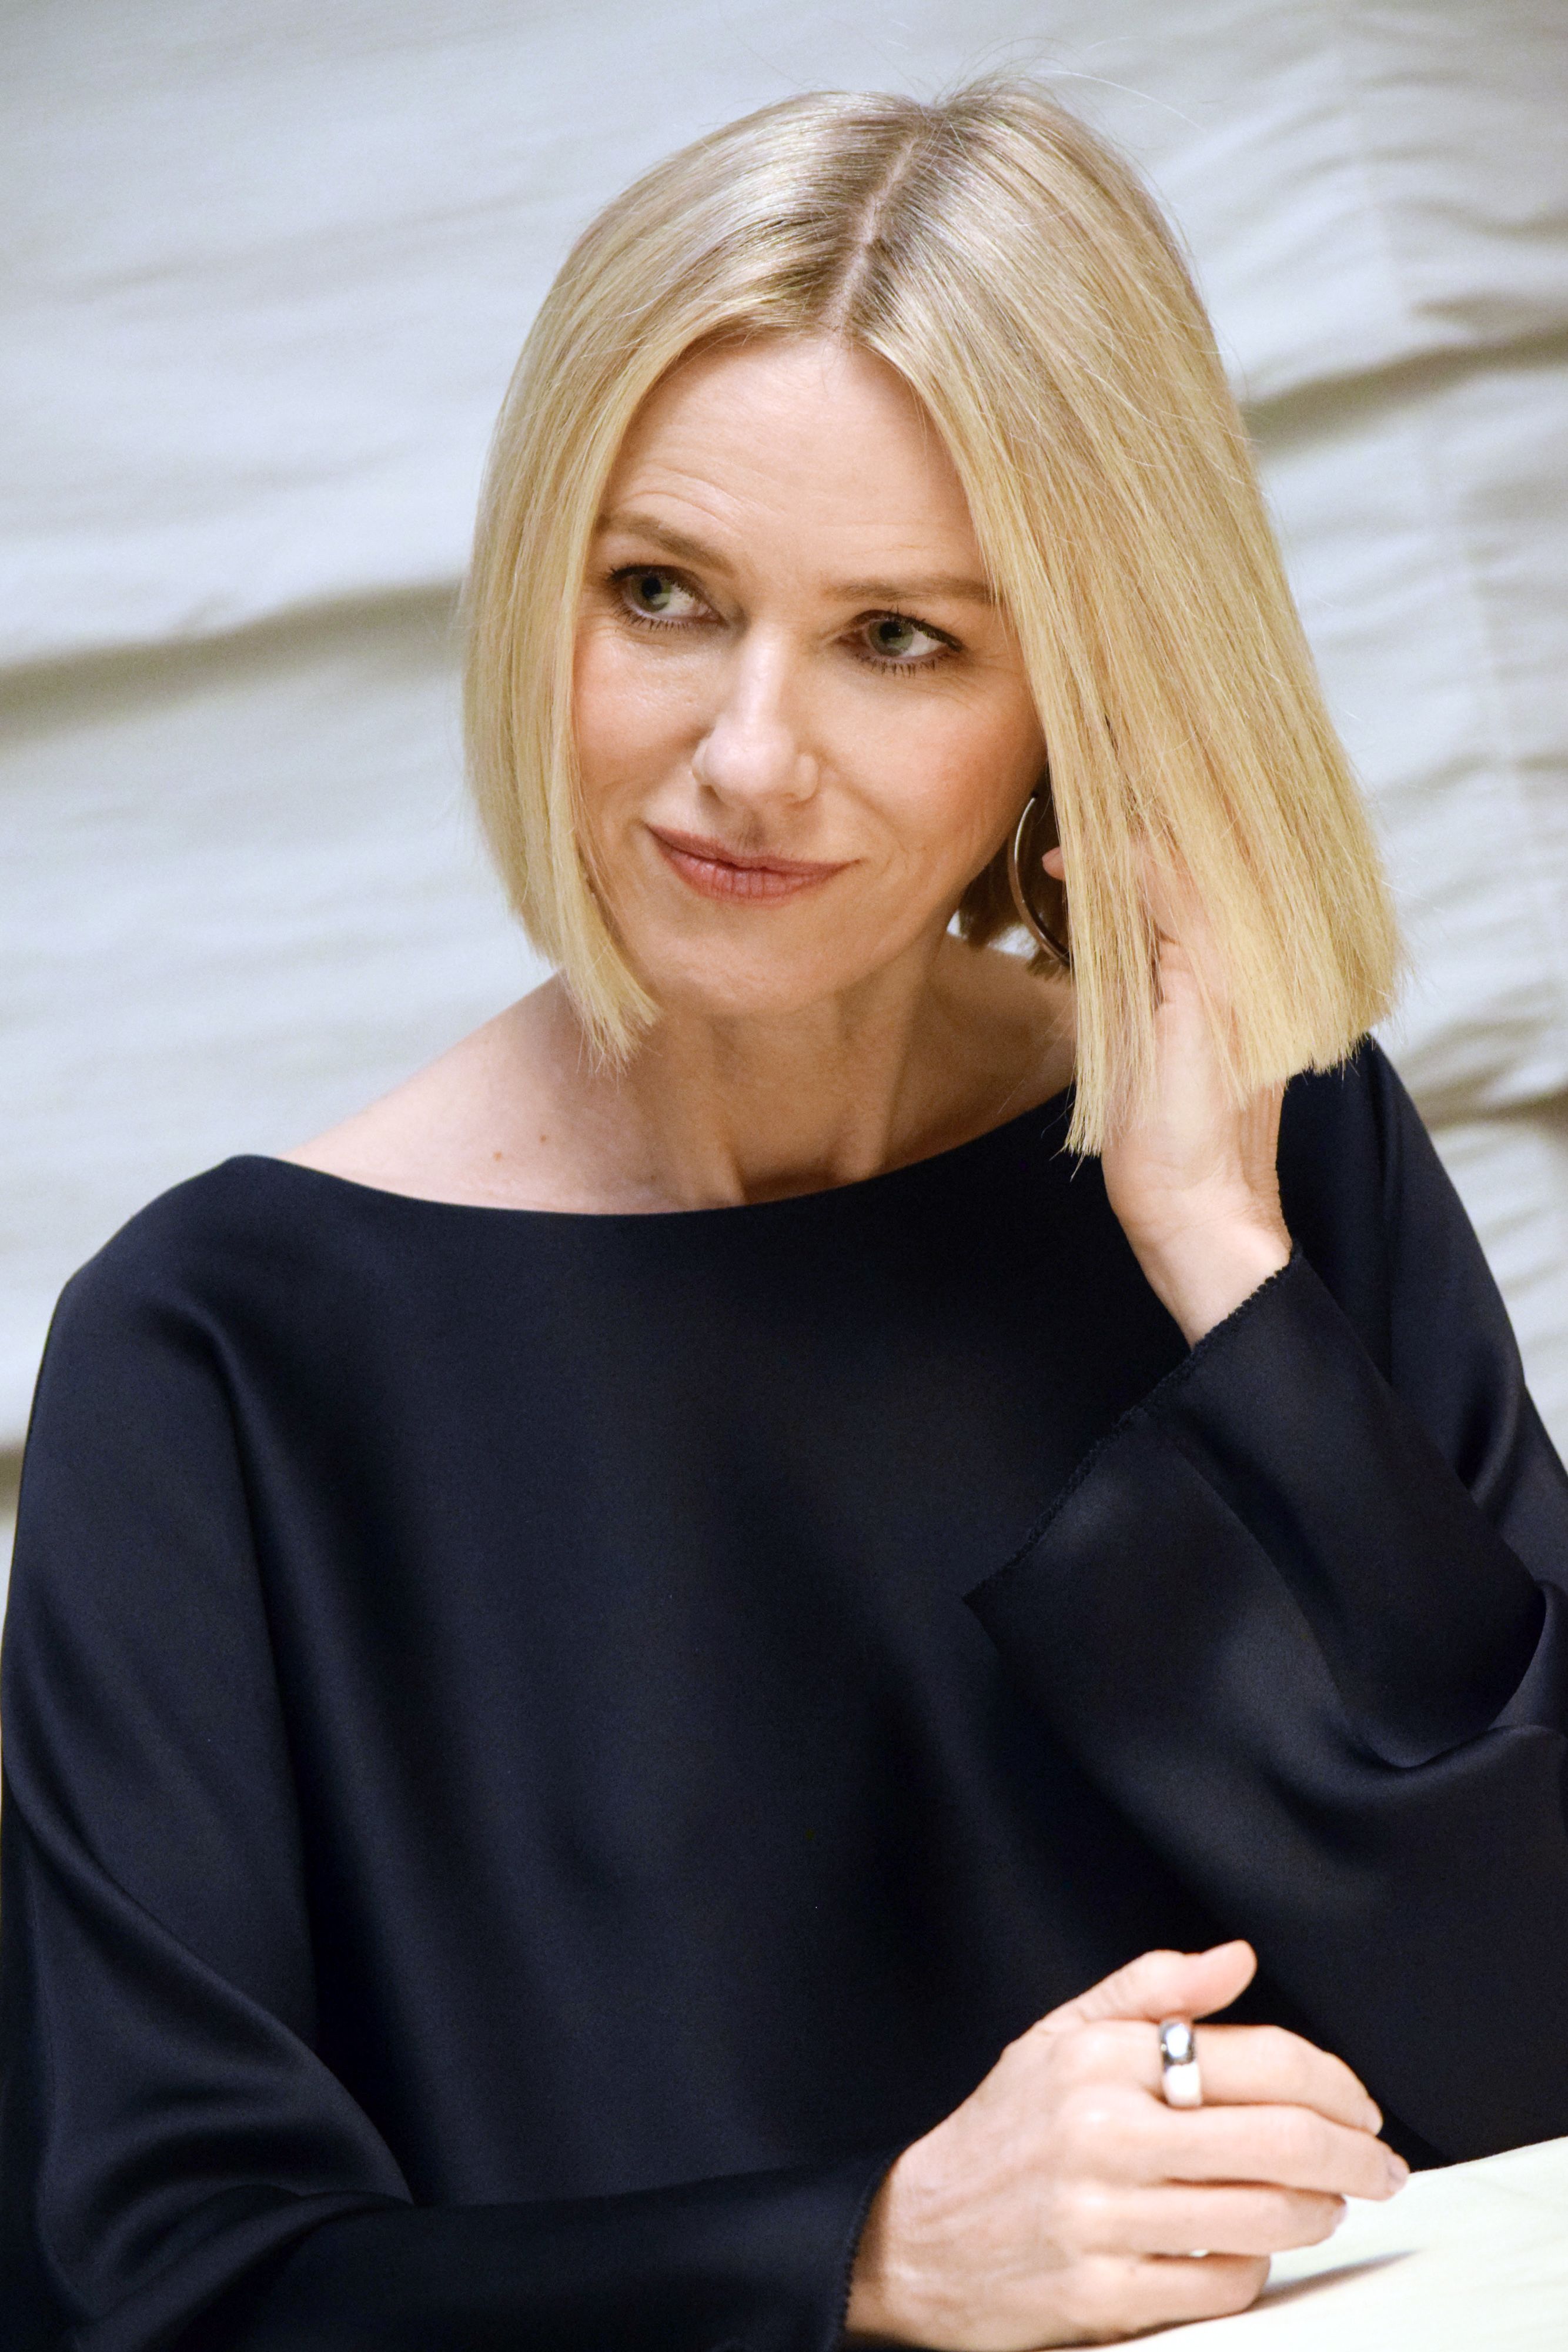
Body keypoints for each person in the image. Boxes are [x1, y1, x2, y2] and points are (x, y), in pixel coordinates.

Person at [4, 76, 1567, 2352]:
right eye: (662, 595)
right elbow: (162, 2291)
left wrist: (1227, 1277)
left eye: (899, 637)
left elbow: (1533, 2024)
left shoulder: (1262, 1152)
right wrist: (871, 2257)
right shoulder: (224, 1347)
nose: (747, 755)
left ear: (1078, 691)